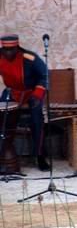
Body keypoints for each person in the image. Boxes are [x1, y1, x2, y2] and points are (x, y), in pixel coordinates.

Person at [0, 34, 50, 171]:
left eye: (11, 50)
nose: (8, 53)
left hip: (31, 92)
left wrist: (38, 94)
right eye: (5, 50)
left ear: (17, 48)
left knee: (36, 120)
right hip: (11, 92)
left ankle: (40, 156)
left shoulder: (29, 57)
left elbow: (44, 75)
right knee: (2, 118)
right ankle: (4, 153)